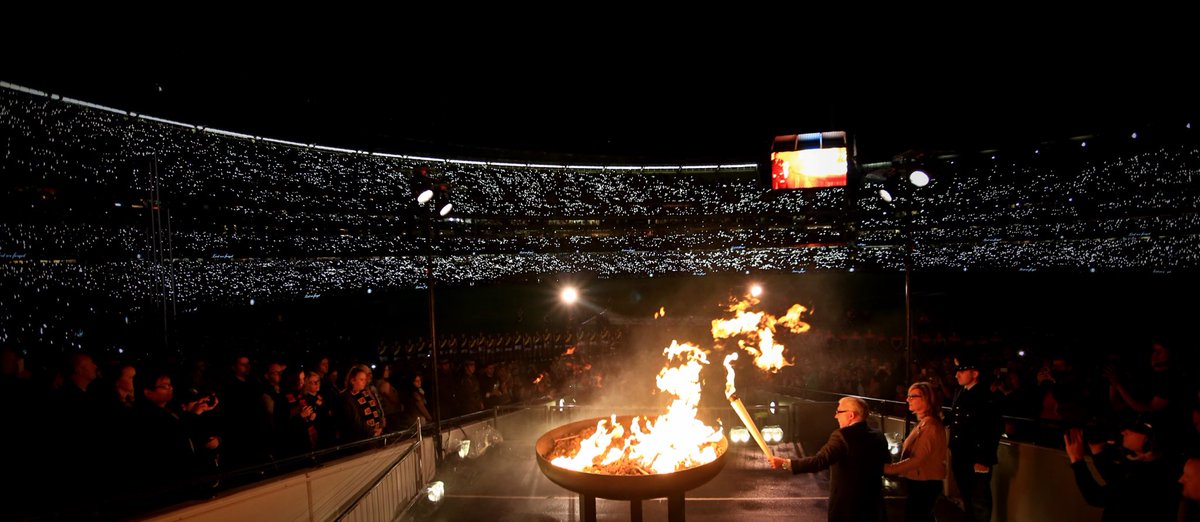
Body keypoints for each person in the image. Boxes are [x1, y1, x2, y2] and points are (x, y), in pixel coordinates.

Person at [769, 396, 890, 521]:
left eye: (839, 412)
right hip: (874, 507)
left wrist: (785, 463)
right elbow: (885, 465)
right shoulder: (878, 436)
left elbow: (820, 461)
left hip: (848, 509)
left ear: (851, 415)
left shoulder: (842, 436)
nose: (835, 416)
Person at [1064, 417, 1180, 521]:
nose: (1124, 432)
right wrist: (1098, 452)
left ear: (1150, 438)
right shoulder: (1148, 464)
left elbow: (1096, 497)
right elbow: (1117, 481)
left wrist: (1077, 459)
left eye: (1134, 430)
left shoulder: (1154, 475)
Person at [947, 355, 1002, 522]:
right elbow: (956, 419)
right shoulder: (960, 392)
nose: (957, 375)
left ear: (975, 373)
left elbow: (993, 429)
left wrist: (983, 459)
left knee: (979, 501)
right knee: (967, 497)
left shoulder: (985, 396)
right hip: (959, 454)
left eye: (961, 371)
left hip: (976, 456)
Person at [884, 382, 947, 522]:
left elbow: (918, 459)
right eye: (908, 396)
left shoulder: (930, 426)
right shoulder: (925, 423)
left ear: (926, 399)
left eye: (913, 396)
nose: (908, 400)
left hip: (925, 483)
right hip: (922, 481)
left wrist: (890, 469)